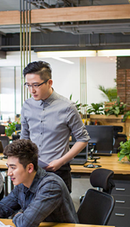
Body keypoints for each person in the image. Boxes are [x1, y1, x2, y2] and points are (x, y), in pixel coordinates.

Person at [20, 61, 90, 192]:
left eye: (36, 85)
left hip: (58, 171)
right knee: (30, 211)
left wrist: (61, 161)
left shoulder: (67, 107)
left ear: (49, 82)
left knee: (57, 212)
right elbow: (24, 137)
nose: (32, 90)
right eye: (28, 85)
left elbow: (83, 139)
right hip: (31, 170)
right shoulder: (27, 105)